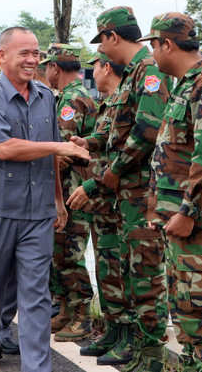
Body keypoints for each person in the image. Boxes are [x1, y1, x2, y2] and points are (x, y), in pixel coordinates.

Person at [0, 26, 90, 372]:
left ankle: (37, 368)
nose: (33, 60)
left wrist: (58, 200)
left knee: (36, 297)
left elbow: (50, 153)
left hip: (37, 214)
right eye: (25, 53)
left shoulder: (46, 96)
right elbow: (5, 149)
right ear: (3, 55)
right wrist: (59, 146)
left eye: (36, 53)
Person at [71, 6, 172, 371]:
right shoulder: (134, 74)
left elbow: (147, 129)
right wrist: (91, 143)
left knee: (144, 274)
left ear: (114, 37)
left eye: (102, 42)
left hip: (141, 191)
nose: (103, 54)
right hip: (127, 193)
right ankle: (137, 346)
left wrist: (111, 171)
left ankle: (151, 354)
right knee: (129, 271)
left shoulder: (148, 72)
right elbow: (119, 129)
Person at [144, 12, 202, 371]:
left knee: (200, 312)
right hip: (178, 220)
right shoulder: (186, 83)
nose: (152, 55)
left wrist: (188, 211)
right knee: (184, 311)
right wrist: (163, 209)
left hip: (196, 222)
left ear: (167, 44)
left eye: (153, 45)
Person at [67, 51, 128, 361]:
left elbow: (123, 155)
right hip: (100, 202)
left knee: (117, 271)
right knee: (106, 270)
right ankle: (113, 332)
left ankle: (127, 337)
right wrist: (86, 142)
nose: (93, 74)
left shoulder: (123, 102)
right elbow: (104, 141)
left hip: (111, 200)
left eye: (95, 67)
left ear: (107, 67)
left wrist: (90, 185)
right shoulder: (109, 104)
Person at [40, 43, 97, 343]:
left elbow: (61, 152)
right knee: (60, 253)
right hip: (69, 188)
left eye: (47, 65)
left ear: (55, 68)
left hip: (72, 189)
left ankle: (81, 316)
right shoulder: (75, 95)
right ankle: (66, 309)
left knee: (68, 254)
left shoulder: (71, 99)